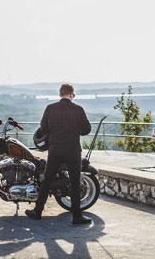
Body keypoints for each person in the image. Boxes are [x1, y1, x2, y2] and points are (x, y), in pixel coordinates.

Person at [26, 83, 93, 224]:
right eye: (73, 95)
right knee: (75, 183)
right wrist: (75, 130)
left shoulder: (50, 108)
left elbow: (44, 128)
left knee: (47, 181)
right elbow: (86, 129)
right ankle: (77, 216)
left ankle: (37, 211)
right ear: (71, 94)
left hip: (55, 150)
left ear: (60, 94)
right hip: (73, 151)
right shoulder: (78, 109)